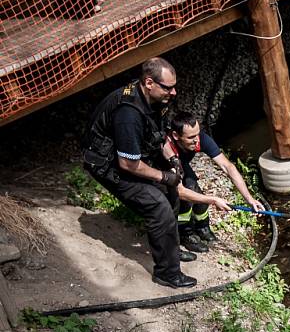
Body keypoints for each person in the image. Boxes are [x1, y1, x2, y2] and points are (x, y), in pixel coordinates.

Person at [81, 57, 230, 289]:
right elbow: (128, 164)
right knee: (157, 206)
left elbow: (156, 137)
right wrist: (163, 176)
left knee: (171, 194)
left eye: (174, 86)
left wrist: (172, 159)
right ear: (149, 82)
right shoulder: (128, 114)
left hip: (131, 156)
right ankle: (168, 274)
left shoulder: (153, 99)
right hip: (109, 165)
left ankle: (171, 249)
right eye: (168, 87)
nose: (173, 92)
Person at [164, 111, 265, 252]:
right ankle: (185, 233)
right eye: (191, 137)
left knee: (195, 190)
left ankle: (202, 227)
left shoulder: (201, 139)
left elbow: (228, 167)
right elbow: (181, 192)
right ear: (176, 136)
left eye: (197, 135)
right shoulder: (166, 149)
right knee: (183, 201)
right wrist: (213, 200)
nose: (196, 140)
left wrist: (249, 198)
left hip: (181, 163)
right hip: (163, 171)